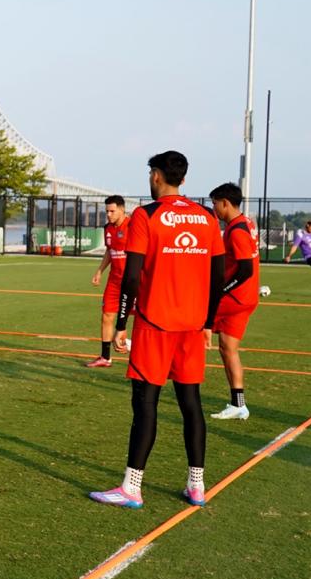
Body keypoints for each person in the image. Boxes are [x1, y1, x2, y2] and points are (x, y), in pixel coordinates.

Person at [90, 151, 224, 510]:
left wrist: (121, 323)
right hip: (193, 327)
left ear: (156, 176)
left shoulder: (147, 215)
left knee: (146, 405)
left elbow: (131, 277)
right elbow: (217, 276)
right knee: (190, 403)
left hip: (154, 324)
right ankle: (196, 485)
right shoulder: (207, 217)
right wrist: (209, 322)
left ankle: (131, 487)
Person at [208, 183, 260, 421]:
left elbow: (245, 269)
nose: (214, 208)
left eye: (215, 203)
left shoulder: (236, 230)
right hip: (247, 298)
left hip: (235, 298)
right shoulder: (246, 223)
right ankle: (239, 404)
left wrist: (222, 291)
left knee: (194, 320)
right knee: (228, 348)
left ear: (225, 203)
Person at [86, 195, 129, 368]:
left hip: (134, 281)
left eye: (112, 211)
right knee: (106, 316)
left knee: (143, 318)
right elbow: (110, 251)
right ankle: (105, 357)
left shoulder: (133, 226)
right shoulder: (108, 228)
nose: (109, 215)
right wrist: (99, 271)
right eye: (107, 212)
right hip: (114, 280)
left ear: (122, 209)